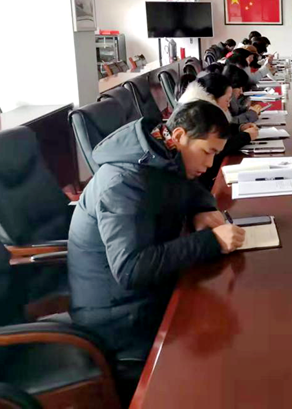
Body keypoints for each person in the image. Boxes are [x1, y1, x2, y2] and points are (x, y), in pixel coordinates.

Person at [68, 101, 247, 364]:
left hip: (145, 294)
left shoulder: (163, 154)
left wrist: (202, 209)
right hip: (117, 316)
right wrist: (211, 241)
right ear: (179, 136)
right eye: (207, 152)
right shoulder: (124, 183)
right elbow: (131, 269)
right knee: (223, 350)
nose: (210, 164)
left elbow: (190, 189)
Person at [178, 72, 260, 186]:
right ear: (212, 98)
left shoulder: (200, 108)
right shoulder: (197, 114)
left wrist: (240, 127)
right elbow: (219, 149)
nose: (229, 105)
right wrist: (246, 136)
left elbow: (218, 133)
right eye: (227, 100)